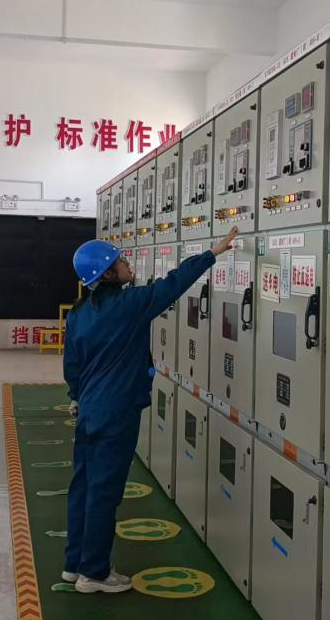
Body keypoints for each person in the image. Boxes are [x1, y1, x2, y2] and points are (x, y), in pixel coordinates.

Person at [60, 226, 239, 593]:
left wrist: (77, 396)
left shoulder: (79, 314)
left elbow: (72, 367)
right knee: (105, 493)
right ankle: (94, 573)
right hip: (117, 413)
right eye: (120, 261)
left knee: (84, 487)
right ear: (107, 274)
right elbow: (174, 284)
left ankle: (74, 563)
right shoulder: (131, 305)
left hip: (90, 411)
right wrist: (212, 253)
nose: (127, 263)